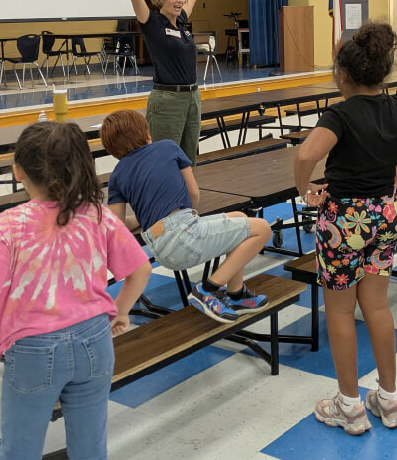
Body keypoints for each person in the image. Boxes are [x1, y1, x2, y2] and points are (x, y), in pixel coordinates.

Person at [0, 122, 151, 460]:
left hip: (33, 350)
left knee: (21, 446)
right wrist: (120, 311)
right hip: (95, 340)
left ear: (18, 171)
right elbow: (140, 269)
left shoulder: (7, 225)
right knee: (90, 444)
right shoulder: (97, 213)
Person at [294, 22, 397, 434]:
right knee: (378, 306)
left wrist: (305, 189)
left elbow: (306, 154)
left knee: (341, 311)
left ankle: (348, 404)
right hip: (384, 216)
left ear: (342, 75)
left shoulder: (340, 114)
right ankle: (390, 398)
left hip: (342, 221)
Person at [100, 109, 271, 323]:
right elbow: (194, 195)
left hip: (158, 246)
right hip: (185, 236)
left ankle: (236, 293)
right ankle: (207, 289)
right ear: (146, 133)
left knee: (238, 217)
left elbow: (117, 224)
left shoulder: (117, 175)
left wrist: (140, 218)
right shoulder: (168, 147)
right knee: (262, 229)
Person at [94, 0, 213, 165]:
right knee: (165, 160)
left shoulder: (182, 21)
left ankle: (186, 201)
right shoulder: (152, 23)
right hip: (167, 100)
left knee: (189, 160)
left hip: (192, 97)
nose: (180, 0)